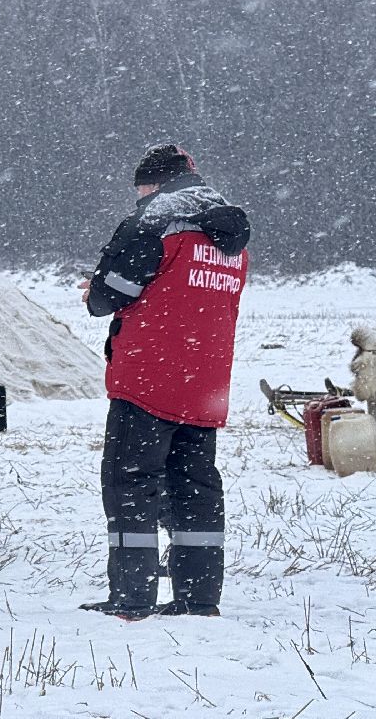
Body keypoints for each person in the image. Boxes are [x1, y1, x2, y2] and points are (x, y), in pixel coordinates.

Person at [79, 144, 250, 620]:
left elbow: (110, 294)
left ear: (152, 185)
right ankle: (198, 598)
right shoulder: (229, 233)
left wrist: (93, 291)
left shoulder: (155, 220)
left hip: (148, 379)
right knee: (195, 487)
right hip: (205, 383)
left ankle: (131, 598)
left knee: (130, 484)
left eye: (141, 189)